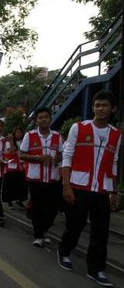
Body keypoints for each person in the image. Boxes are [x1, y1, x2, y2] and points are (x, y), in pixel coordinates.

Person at [57, 90, 121, 287]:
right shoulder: (79, 128)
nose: (100, 108)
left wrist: (114, 191)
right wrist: (66, 185)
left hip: (102, 189)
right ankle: (65, 250)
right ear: (93, 108)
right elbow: (67, 156)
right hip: (79, 186)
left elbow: (114, 163)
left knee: (101, 232)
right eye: (97, 105)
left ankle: (96, 269)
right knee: (75, 224)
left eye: (104, 105)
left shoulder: (116, 134)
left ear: (113, 109)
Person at [20, 107, 63, 247]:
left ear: (50, 119)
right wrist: (39, 158)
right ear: (36, 120)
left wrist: (57, 159)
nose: (44, 119)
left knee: (52, 208)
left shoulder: (57, 136)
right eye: (41, 117)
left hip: (53, 178)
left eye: (46, 117)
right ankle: (38, 235)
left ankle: (44, 229)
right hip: (36, 179)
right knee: (37, 208)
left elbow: (62, 155)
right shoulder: (30, 135)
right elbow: (21, 155)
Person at [2, 127, 27, 208]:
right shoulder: (8, 142)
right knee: (10, 184)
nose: (19, 134)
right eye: (17, 132)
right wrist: (11, 140)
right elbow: (11, 151)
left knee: (21, 184)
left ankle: (19, 200)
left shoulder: (24, 141)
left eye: (20, 132)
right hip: (11, 166)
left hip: (21, 166)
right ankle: (9, 201)